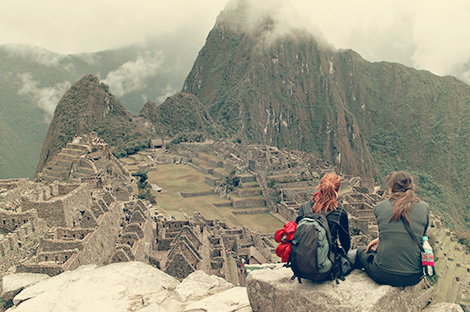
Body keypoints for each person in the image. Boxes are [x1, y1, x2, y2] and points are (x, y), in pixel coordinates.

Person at [356, 171, 429, 287]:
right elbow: (420, 236)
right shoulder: (424, 207)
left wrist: (382, 238)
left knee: (361, 251)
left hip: (383, 274)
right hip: (414, 277)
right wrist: (382, 238)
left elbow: (388, 226)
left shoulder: (379, 207)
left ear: (391, 188)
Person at [296, 173, 351, 256]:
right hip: (326, 265)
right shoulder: (339, 213)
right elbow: (345, 244)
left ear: (319, 187)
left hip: (301, 262)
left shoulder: (304, 207)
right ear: (337, 191)